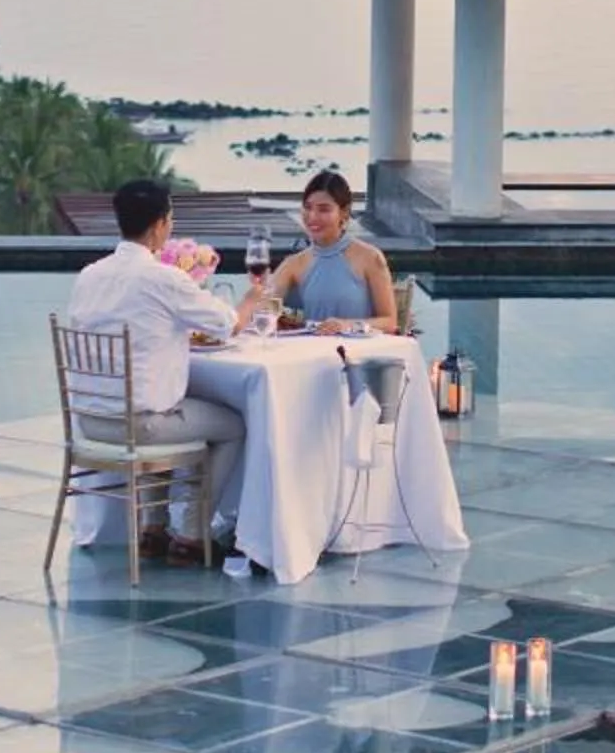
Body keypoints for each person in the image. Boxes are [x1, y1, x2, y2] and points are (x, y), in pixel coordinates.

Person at [64, 179, 263, 563]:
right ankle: (191, 533)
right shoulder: (163, 278)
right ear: (159, 226)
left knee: (166, 404)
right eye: (170, 219)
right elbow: (226, 323)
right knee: (232, 425)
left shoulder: (89, 275)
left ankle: (153, 529)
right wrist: (253, 299)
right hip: (139, 426)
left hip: (89, 423)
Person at [259, 169, 400, 335]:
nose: (313, 216)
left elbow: (389, 322)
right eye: (308, 207)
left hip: (359, 356)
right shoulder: (293, 264)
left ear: (344, 213)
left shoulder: (369, 257)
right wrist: (263, 296)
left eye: (324, 210)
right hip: (312, 354)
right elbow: (265, 309)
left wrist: (347, 325)